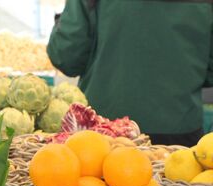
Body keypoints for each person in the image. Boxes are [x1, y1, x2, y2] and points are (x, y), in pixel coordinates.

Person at [47, 0, 213, 147]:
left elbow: (66, 56)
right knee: (180, 181)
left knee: (101, 181)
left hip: (104, 131)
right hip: (179, 129)